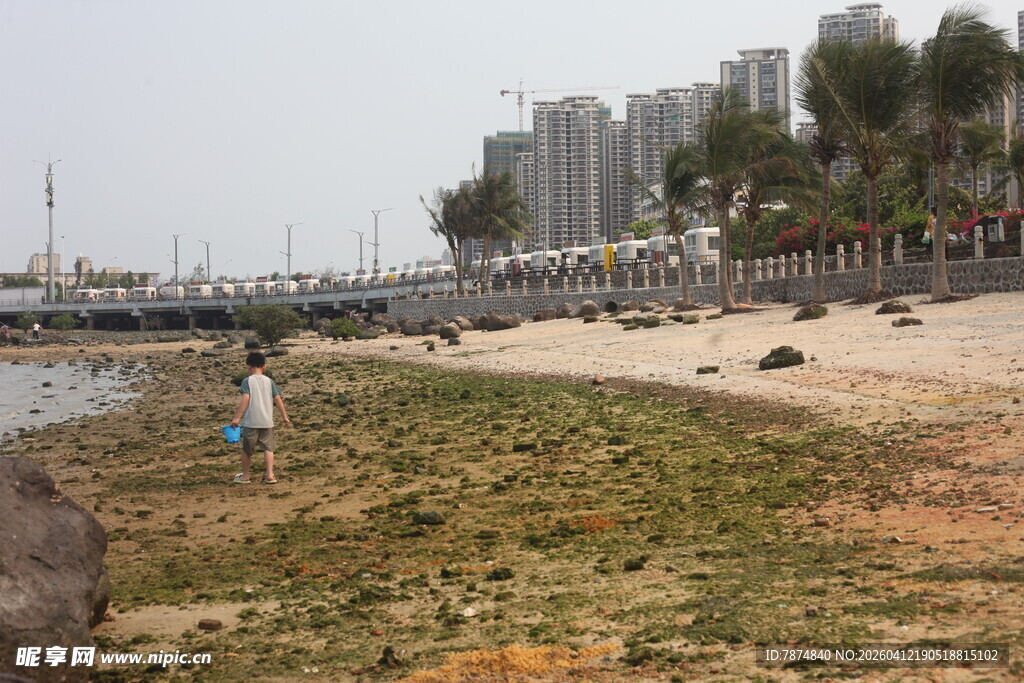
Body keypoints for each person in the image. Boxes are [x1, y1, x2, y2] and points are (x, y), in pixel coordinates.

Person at [229, 351, 291, 484]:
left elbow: (246, 398)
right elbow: (278, 399)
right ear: (264, 367)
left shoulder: (247, 381)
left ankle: (245, 476)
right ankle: (269, 475)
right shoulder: (269, 381)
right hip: (267, 421)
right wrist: (284, 417)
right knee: (268, 448)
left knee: (247, 450)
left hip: (251, 422)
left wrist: (237, 417)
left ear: (248, 367)